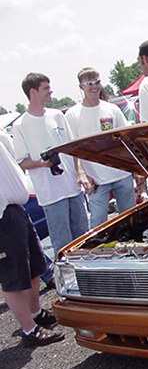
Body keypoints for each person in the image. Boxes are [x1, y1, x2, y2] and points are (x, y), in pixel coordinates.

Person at [12, 73, 89, 257]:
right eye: (46, 88)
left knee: (85, 238)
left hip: (73, 188)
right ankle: (68, 276)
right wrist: (43, 163)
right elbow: (22, 161)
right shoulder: (20, 125)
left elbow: (73, 147)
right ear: (33, 92)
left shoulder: (57, 115)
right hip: (51, 195)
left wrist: (80, 173)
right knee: (63, 244)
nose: (51, 91)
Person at [0, 135, 64, 346]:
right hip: (1, 216)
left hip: (16, 208)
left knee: (35, 266)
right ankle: (29, 329)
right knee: (13, 276)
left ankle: (35, 313)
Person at [64, 67, 137, 228]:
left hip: (122, 173)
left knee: (132, 221)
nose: (94, 87)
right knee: (98, 226)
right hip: (96, 179)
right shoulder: (72, 114)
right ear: (81, 87)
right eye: (89, 83)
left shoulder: (112, 109)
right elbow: (73, 148)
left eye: (97, 82)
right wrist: (81, 173)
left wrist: (135, 167)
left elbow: (126, 138)